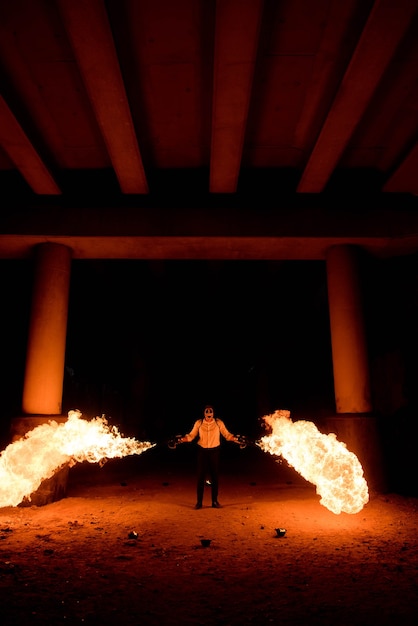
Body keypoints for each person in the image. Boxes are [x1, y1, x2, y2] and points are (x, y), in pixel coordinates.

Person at [180, 405, 239, 509]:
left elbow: (227, 435)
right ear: (203, 413)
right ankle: (199, 503)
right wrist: (181, 439)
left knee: (214, 477)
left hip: (214, 451)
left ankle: (215, 502)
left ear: (213, 413)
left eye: (210, 412)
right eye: (207, 412)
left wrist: (236, 439)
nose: (209, 414)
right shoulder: (199, 423)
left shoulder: (218, 423)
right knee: (200, 477)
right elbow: (191, 436)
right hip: (202, 451)